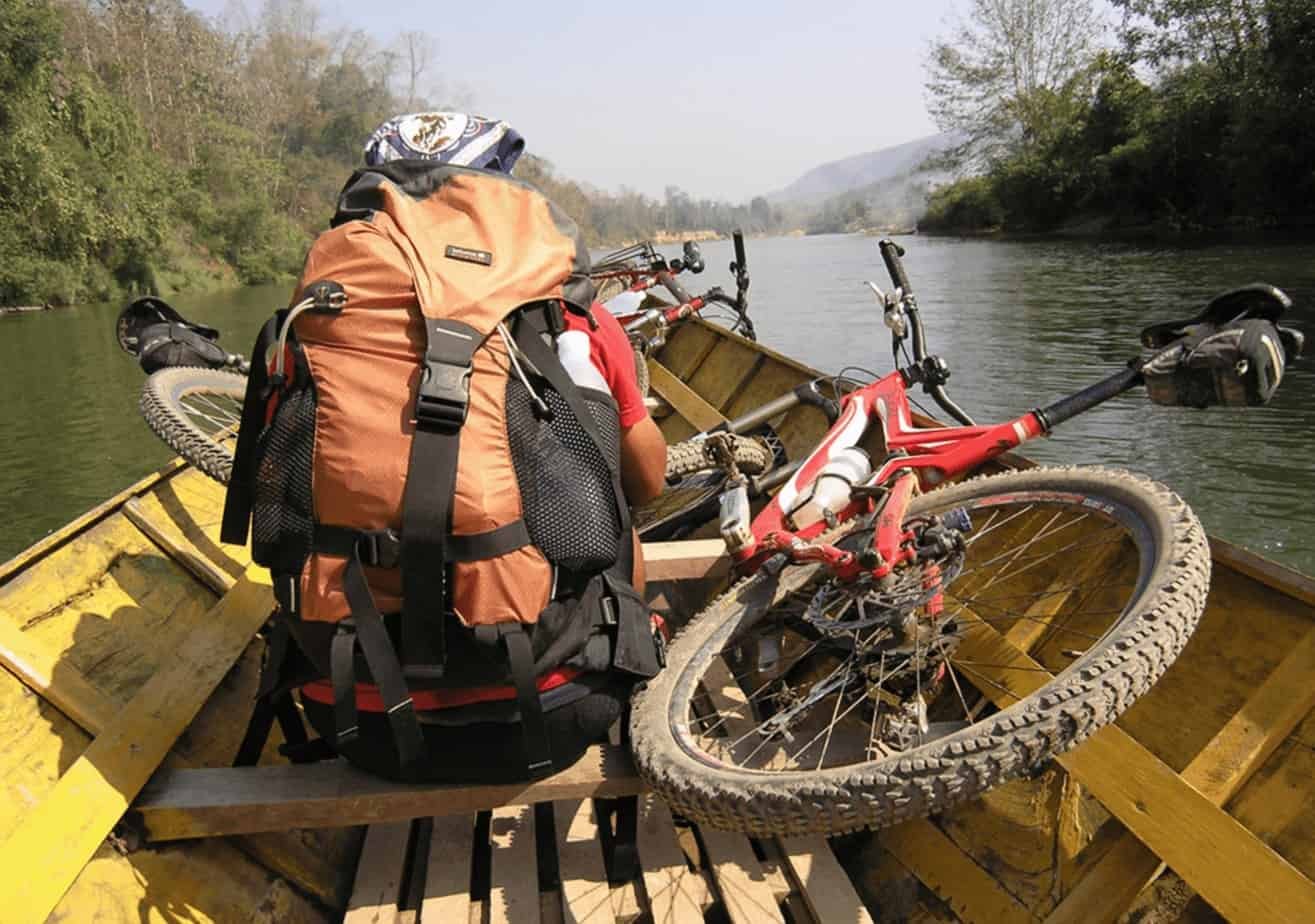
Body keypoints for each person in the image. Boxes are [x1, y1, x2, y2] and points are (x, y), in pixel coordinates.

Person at [280, 111, 668, 781]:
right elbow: (649, 482)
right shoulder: (574, 316)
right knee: (616, 505)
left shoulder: (312, 320)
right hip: (557, 712)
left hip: (352, 714)